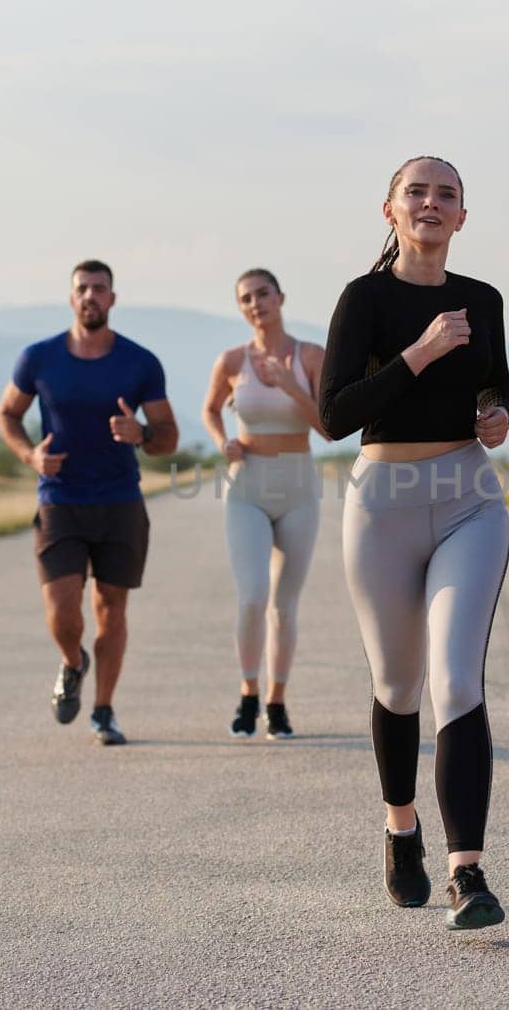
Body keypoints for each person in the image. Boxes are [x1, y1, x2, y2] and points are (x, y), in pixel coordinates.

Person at [319, 155, 509, 931]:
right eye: (417, 193)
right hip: (383, 504)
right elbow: (334, 414)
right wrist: (420, 353)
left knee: (456, 680)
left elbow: (496, 381)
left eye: (448, 195)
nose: (432, 203)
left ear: (462, 217)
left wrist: (496, 411)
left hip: (469, 500)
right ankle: (402, 830)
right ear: (391, 211)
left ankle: (469, 871)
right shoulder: (364, 300)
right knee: (399, 687)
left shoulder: (483, 299)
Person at [0, 259, 179, 746]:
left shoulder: (140, 362)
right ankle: (74, 661)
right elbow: (8, 415)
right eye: (82, 288)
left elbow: (168, 438)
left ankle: (103, 709)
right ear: (71, 297)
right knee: (61, 608)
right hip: (60, 498)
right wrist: (29, 454)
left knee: (111, 608)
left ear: (113, 299)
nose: (90, 296)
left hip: (120, 500)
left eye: (100, 288)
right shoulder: (38, 358)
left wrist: (141, 433)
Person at [201, 268, 328, 741]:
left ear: (280, 297)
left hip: (297, 486)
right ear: (241, 308)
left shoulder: (311, 356)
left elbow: (330, 429)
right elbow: (210, 409)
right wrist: (221, 441)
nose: (256, 304)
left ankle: (276, 702)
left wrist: (289, 385)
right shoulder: (232, 360)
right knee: (252, 597)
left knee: (285, 606)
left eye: (263, 294)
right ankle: (247, 693)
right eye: (246, 299)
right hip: (247, 487)